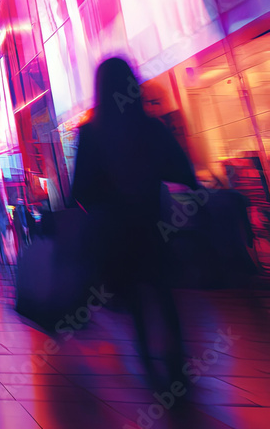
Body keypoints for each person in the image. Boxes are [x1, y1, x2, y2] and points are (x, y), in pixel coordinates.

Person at [72, 57, 194, 391]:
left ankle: (149, 367)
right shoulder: (151, 127)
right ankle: (176, 363)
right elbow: (183, 171)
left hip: (116, 233)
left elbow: (80, 190)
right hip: (155, 226)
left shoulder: (92, 133)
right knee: (163, 291)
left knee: (136, 299)